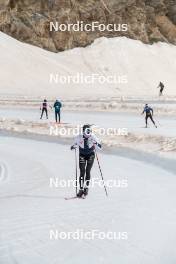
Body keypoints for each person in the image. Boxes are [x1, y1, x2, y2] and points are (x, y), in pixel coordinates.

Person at [71, 124, 102, 198]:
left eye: (89, 131)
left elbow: (100, 147)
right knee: (82, 172)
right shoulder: (79, 137)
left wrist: (96, 143)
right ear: (83, 131)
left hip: (90, 155)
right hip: (82, 155)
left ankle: (86, 188)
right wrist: (74, 146)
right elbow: (72, 146)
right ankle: (81, 189)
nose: (88, 133)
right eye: (86, 131)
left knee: (88, 171)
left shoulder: (93, 136)